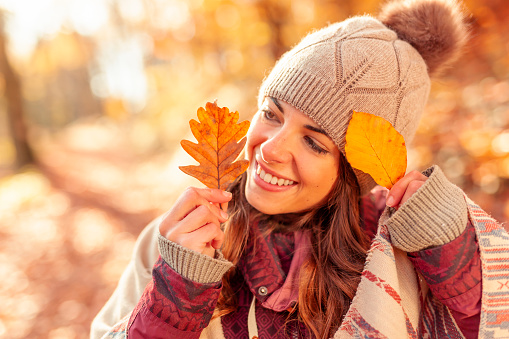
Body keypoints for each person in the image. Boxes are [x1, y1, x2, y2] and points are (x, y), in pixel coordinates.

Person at [91, 0, 509, 338]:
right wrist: (175, 298)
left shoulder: (401, 254)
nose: (270, 148)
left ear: (353, 172)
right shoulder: (178, 240)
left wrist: (459, 257)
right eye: (271, 114)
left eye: (313, 141)